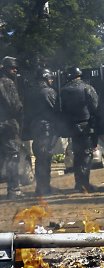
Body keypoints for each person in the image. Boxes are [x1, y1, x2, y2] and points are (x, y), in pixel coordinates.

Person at [60, 67, 100, 193]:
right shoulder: (87, 88)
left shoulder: (63, 90)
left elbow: (60, 110)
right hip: (86, 127)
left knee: (77, 155)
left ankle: (79, 183)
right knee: (86, 155)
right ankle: (84, 184)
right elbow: (95, 107)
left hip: (72, 127)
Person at [27, 68, 59, 196]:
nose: (51, 80)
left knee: (40, 158)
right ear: (45, 78)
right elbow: (55, 109)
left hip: (35, 128)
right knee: (45, 158)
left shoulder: (30, 92)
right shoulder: (48, 91)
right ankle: (44, 188)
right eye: (50, 78)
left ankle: (41, 187)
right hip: (46, 129)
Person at [0, 56, 24, 199]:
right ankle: (14, 189)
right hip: (7, 125)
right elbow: (15, 106)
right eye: (12, 67)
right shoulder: (7, 82)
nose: (15, 70)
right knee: (13, 156)